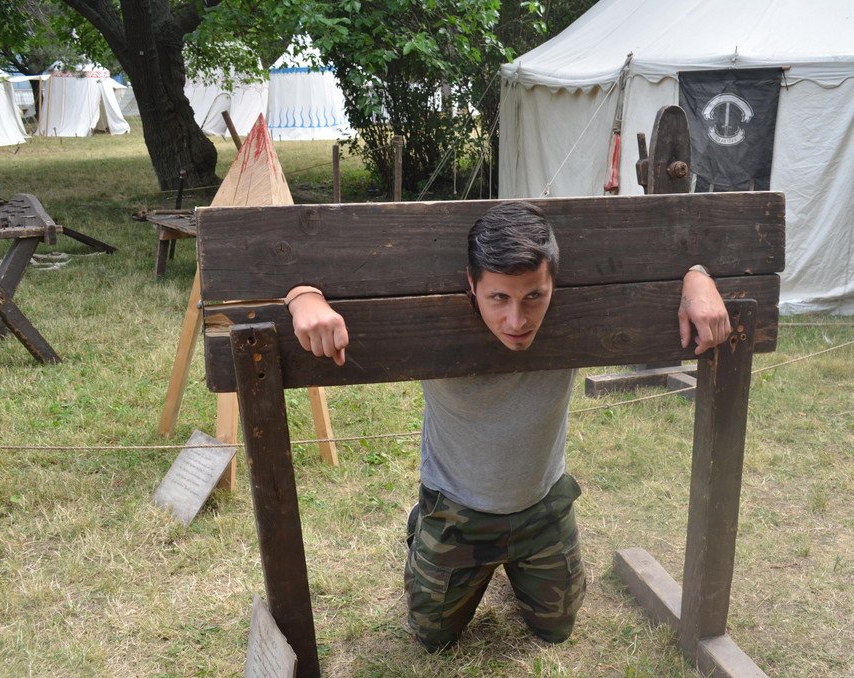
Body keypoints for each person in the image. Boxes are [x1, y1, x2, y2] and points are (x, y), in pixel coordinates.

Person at [283, 201, 731, 651]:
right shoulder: (433, 324)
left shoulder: (570, 315)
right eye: (499, 298)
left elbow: (688, 249)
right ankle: (424, 527)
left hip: (542, 505)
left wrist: (697, 275)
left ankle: (518, 560)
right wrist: (302, 294)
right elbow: (277, 265)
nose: (517, 321)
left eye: (534, 296)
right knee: (432, 638)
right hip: (456, 510)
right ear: (470, 283)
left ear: (555, 284)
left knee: (556, 630)